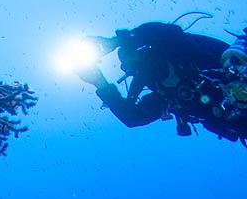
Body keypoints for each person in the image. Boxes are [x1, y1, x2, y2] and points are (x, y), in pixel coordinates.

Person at [77, 21, 247, 143]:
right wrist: (99, 82)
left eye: (137, 58)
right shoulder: (165, 95)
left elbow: (168, 32)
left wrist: (115, 42)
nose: (140, 69)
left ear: (146, 51)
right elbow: (132, 118)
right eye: (132, 67)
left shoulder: (179, 51)